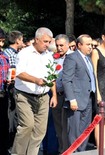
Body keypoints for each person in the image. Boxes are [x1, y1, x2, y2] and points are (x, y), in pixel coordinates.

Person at [11, 27, 57, 155]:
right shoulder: (24, 53)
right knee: (27, 126)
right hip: (24, 95)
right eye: (45, 41)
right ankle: (17, 153)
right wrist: (35, 80)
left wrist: (54, 95)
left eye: (49, 42)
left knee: (40, 130)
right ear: (37, 39)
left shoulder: (48, 56)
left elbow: (52, 76)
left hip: (43, 96)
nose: (47, 45)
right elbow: (19, 73)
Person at [62, 34, 96, 152]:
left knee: (85, 130)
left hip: (88, 98)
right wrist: (71, 99)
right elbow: (67, 80)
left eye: (91, 44)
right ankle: (74, 152)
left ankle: (82, 152)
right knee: (74, 131)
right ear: (79, 45)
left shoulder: (88, 58)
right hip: (76, 100)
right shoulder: (72, 57)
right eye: (88, 44)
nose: (90, 47)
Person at [3, 30, 24, 149]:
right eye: (21, 40)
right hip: (12, 88)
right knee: (12, 117)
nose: (22, 42)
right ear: (17, 40)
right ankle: (11, 144)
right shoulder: (11, 55)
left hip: (12, 88)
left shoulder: (7, 53)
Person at [52, 34, 73, 153]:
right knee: (58, 126)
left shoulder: (74, 57)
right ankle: (61, 150)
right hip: (57, 95)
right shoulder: (54, 58)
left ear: (68, 44)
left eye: (61, 45)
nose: (59, 48)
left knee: (68, 127)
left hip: (69, 96)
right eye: (57, 45)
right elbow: (52, 77)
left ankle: (68, 150)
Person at [0, 28, 10, 155]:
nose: (1, 44)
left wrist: (9, 80)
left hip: (3, 93)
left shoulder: (4, 55)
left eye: (2, 41)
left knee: (3, 124)